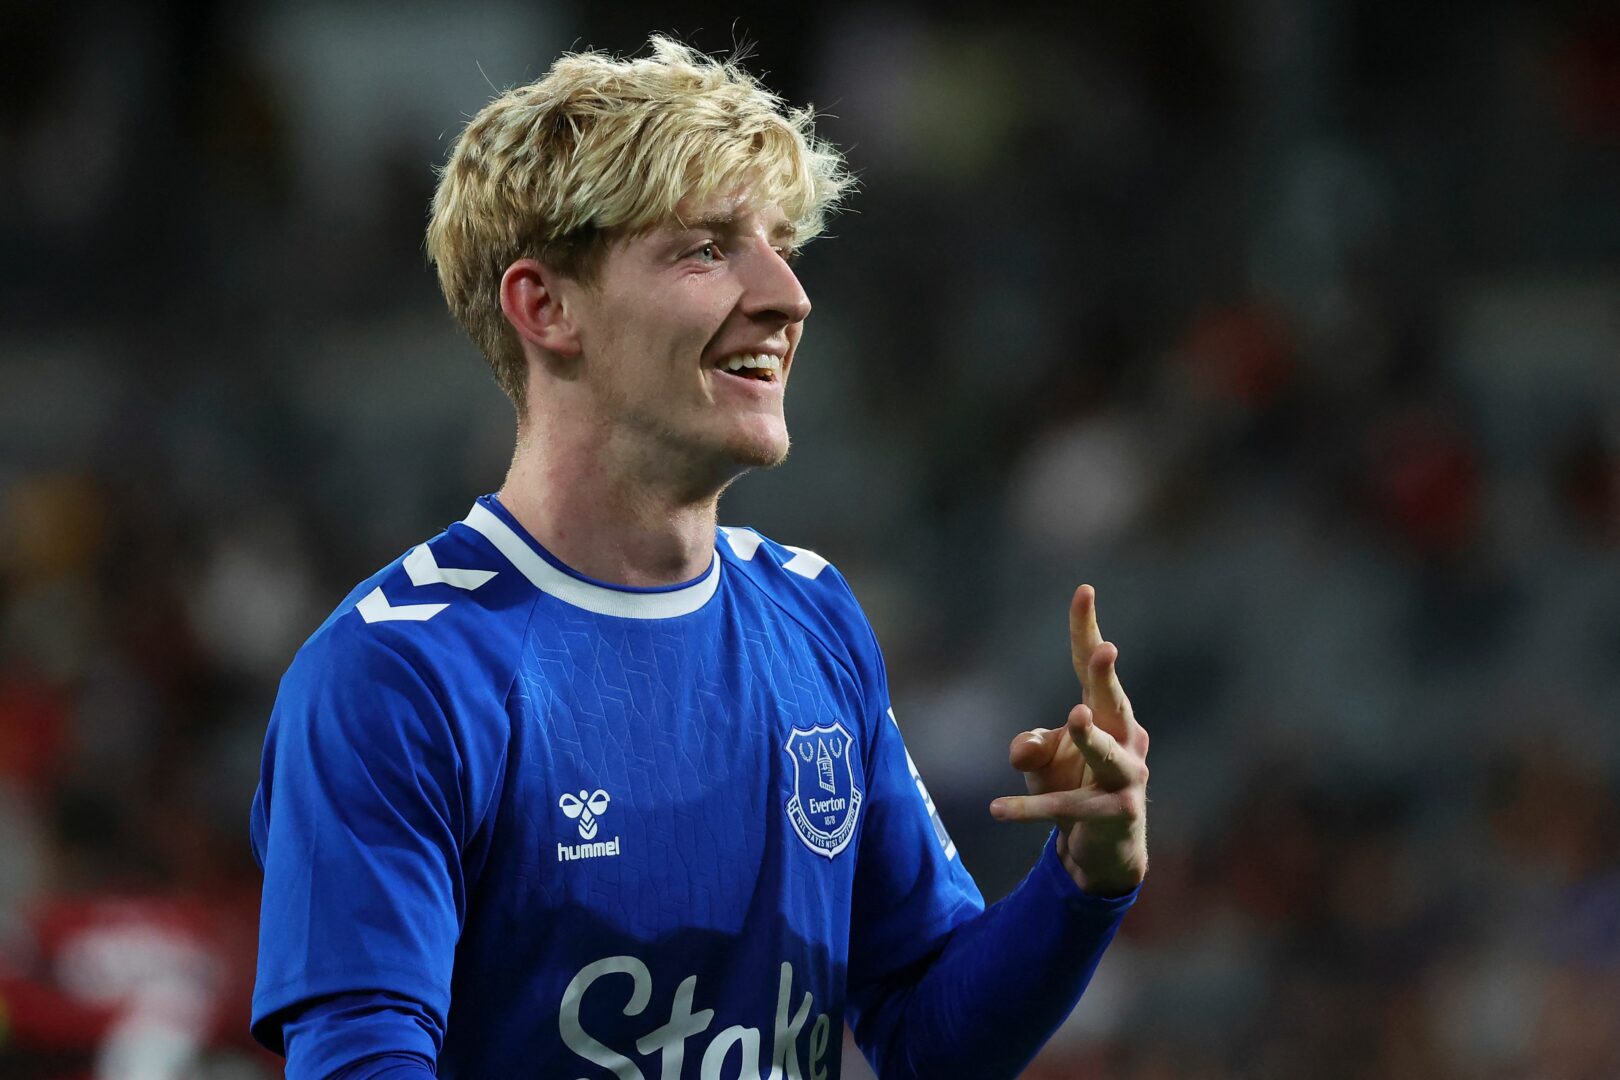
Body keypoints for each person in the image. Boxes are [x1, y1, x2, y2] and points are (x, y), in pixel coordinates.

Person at [250, 35, 1149, 1080]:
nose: (788, 296)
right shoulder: (397, 675)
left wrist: (1083, 881)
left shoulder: (814, 617)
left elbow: (922, 1031)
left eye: (782, 244)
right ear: (547, 308)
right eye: (709, 249)